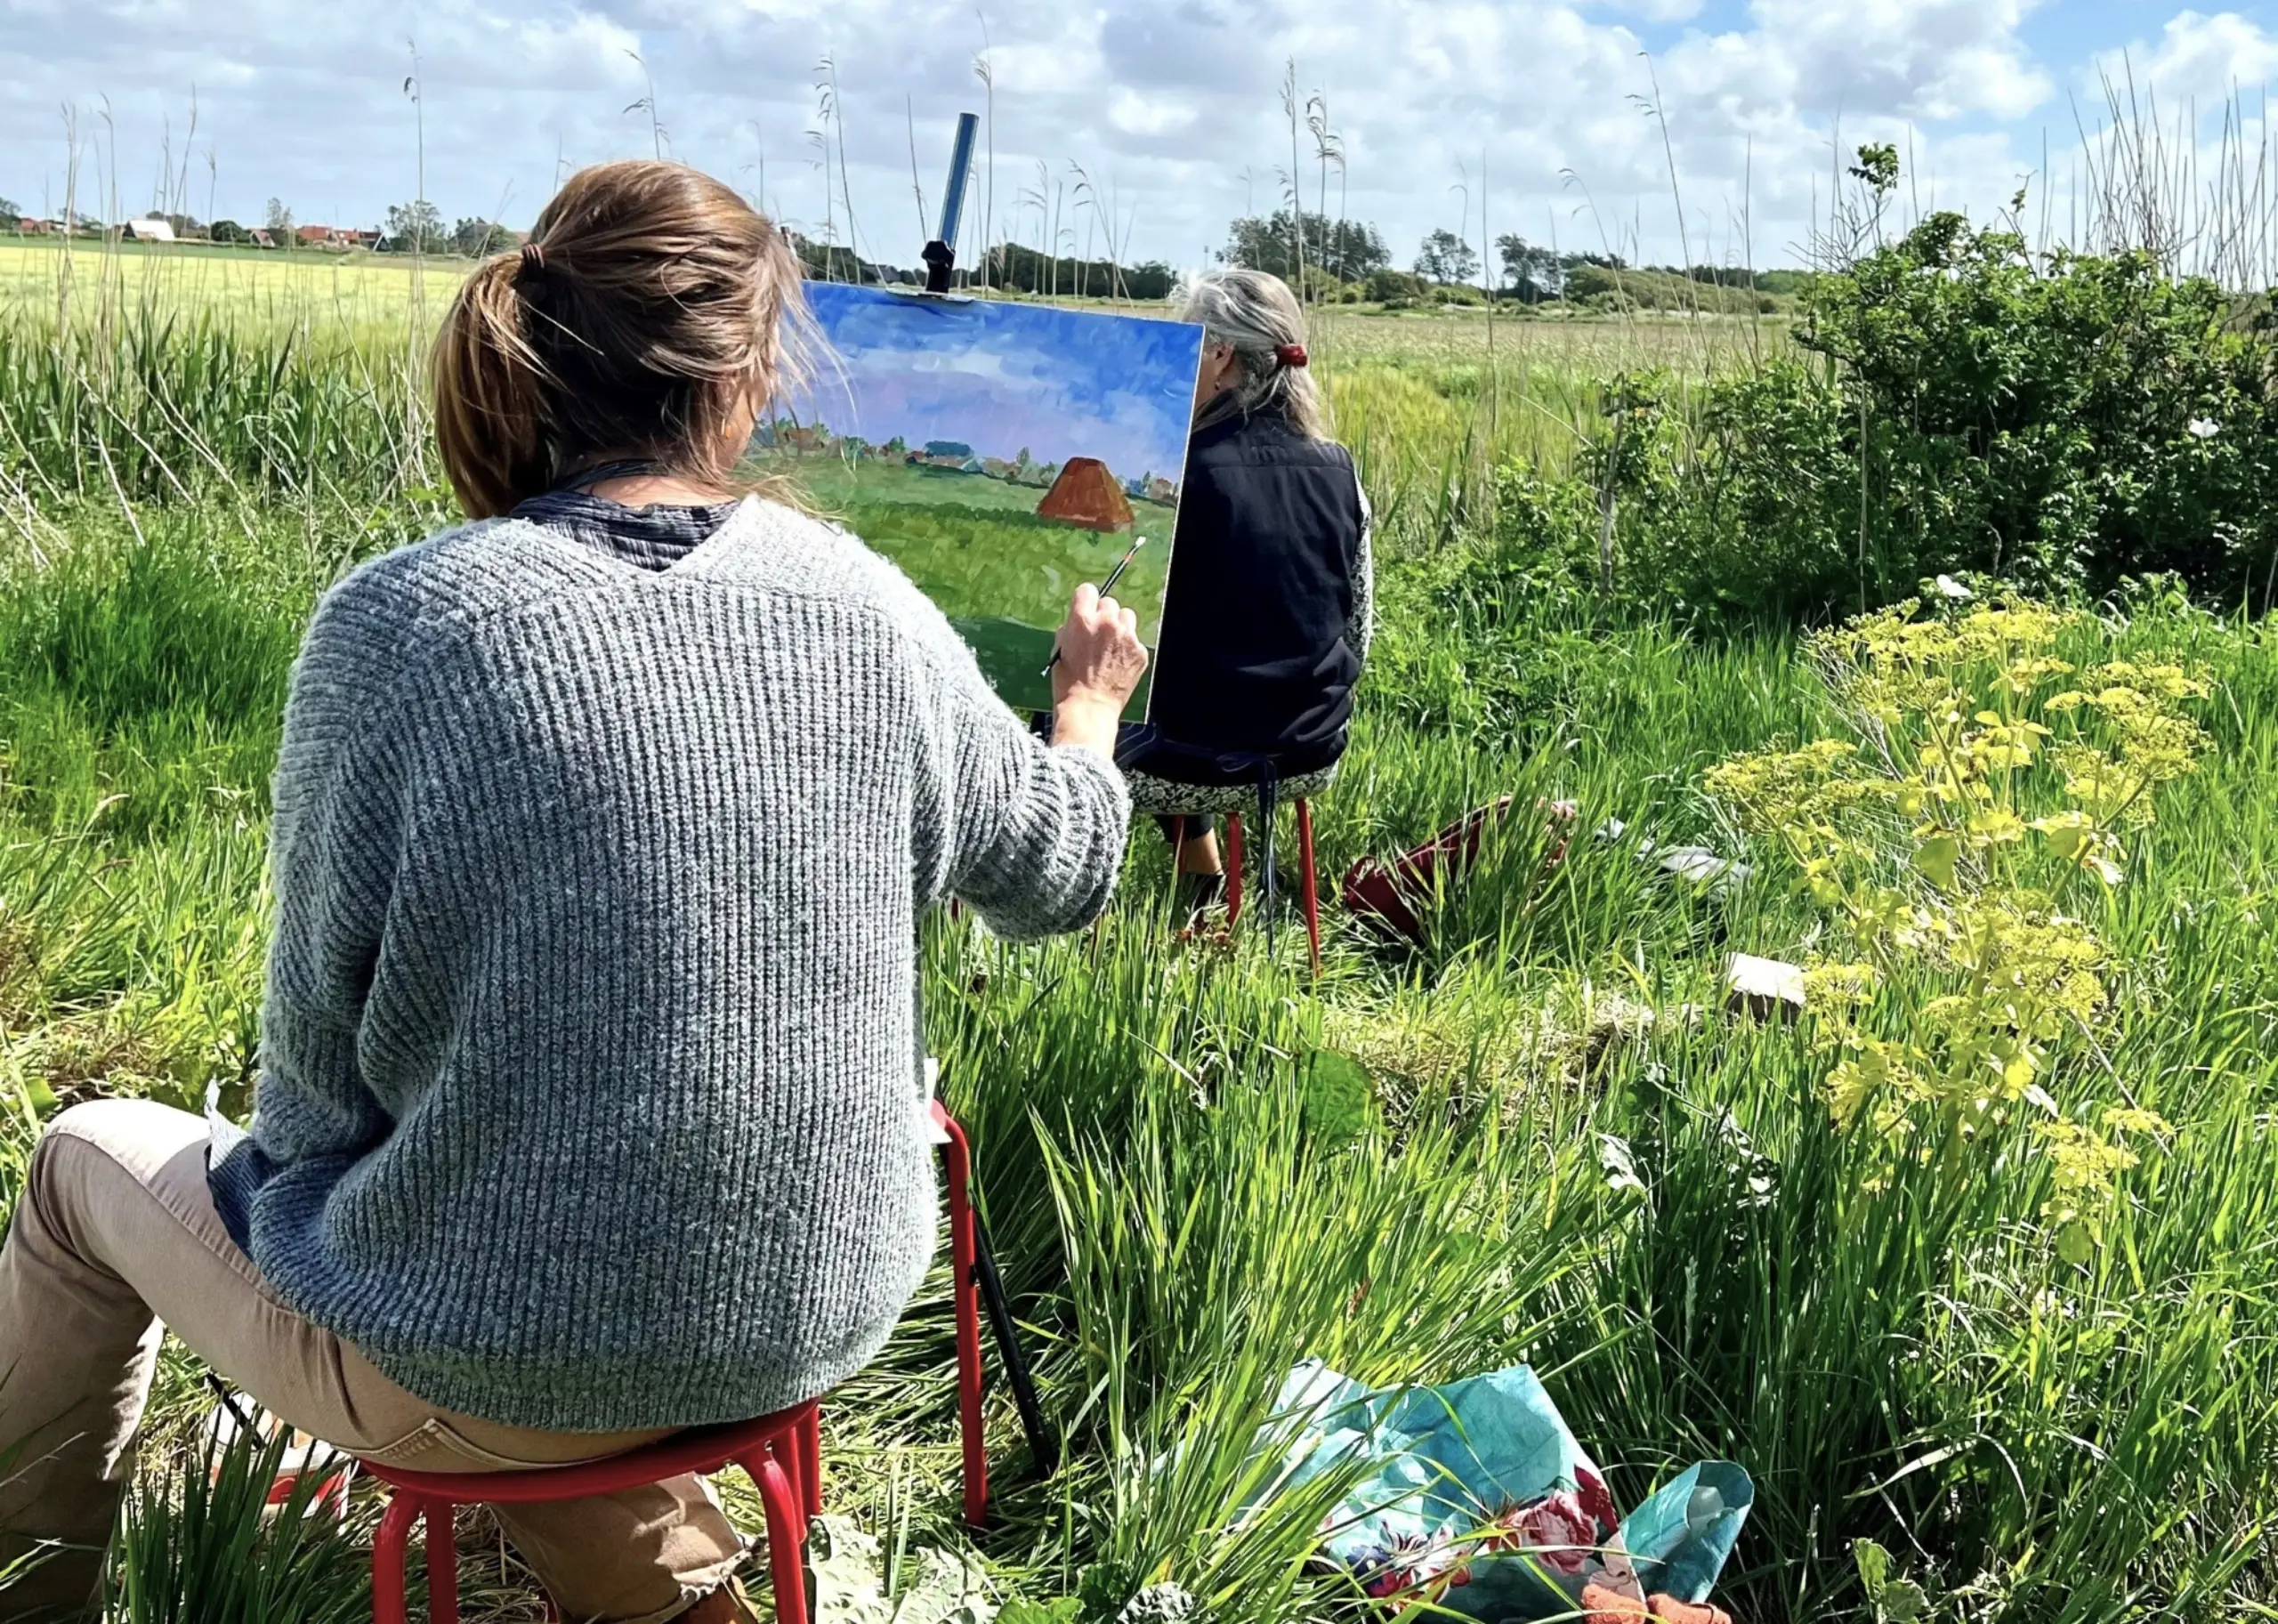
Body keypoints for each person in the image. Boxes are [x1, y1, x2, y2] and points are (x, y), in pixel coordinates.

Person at [0, 160, 1147, 1624]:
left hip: (500, 1372)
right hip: (808, 1315)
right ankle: (670, 1586)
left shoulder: (401, 626)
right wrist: (1092, 707)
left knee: (81, 1160)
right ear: (749, 370)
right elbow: (1066, 871)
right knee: (543, 1284)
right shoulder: (870, 605)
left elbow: (308, 1108)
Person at [1114, 268, 1373, 907]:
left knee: (1078, 709)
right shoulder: (1340, 469)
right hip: (1311, 749)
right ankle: (1201, 886)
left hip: (1179, 760)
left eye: (1188, 345)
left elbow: (1123, 631)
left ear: (1220, 355)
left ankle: (1017, 930)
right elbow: (1360, 629)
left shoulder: (1175, 475)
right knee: (1186, 698)